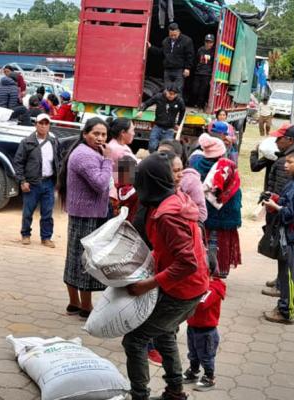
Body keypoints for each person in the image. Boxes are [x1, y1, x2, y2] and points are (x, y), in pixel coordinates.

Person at [123, 152, 209, 400]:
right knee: (164, 334)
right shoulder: (169, 200)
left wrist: (147, 285)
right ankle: (175, 391)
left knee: (135, 340)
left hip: (183, 290)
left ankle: (139, 394)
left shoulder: (167, 214)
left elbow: (187, 263)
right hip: (188, 286)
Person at [57, 118, 113, 319]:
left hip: (88, 212)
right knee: (84, 260)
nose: (100, 138)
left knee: (76, 258)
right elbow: (100, 183)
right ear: (84, 134)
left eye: (103, 134)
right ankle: (84, 306)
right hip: (87, 215)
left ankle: (75, 303)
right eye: (96, 134)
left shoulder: (94, 152)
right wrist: (108, 160)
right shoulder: (86, 155)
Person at [262, 148, 294, 324]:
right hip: (287, 235)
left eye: (290, 162)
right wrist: (275, 198)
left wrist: (276, 207)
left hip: (291, 236)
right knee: (284, 274)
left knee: (289, 276)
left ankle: (286, 312)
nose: (285, 165)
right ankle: (282, 305)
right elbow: (286, 201)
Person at [192, 134, 242, 278]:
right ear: (221, 153)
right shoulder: (227, 167)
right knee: (217, 241)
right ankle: (217, 270)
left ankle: (202, 269)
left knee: (203, 241)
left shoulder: (196, 164)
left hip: (202, 213)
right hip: (224, 214)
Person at [14, 114, 60, 248]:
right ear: (36, 125)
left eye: (46, 124)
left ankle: (46, 237)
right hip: (32, 183)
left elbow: (58, 161)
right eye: (41, 123)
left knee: (47, 213)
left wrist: (57, 180)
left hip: (48, 182)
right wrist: (22, 181)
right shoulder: (27, 142)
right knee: (28, 212)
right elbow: (18, 163)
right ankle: (25, 234)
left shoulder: (53, 141)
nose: (44, 126)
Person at [181, 276, 226, 391]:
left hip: (206, 331)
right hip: (192, 326)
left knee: (206, 356)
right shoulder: (198, 283)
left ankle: (209, 377)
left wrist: (187, 294)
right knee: (193, 353)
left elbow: (201, 304)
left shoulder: (214, 288)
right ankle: (193, 371)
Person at [136, 85, 185, 153]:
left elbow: (182, 111)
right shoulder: (159, 97)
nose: (171, 96)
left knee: (166, 150)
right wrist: (141, 110)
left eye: (174, 94)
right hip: (157, 127)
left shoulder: (179, 101)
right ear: (166, 91)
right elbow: (147, 103)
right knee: (152, 147)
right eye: (170, 94)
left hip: (169, 129)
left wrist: (178, 123)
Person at [147, 22, 194, 91]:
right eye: (171, 35)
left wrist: (187, 68)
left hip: (179, 70)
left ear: (179, 32)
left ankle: (178, 102)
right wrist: (151, 47)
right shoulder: (165, 41)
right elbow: (161, 52)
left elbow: (190, 55)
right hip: (168, 70)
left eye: (175, 35)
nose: (173, 37)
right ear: (169, 33)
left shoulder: (187, 41)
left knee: (177, 90)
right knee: (167, 90)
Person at [192, 34, 215, 109]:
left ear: (213, 43)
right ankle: (194, 103)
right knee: (195, 90)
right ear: (204, 42)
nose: (208, 43)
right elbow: (196, 60)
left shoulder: (214, 51)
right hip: (198, 73)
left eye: (210, 42)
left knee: (203, 91)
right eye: (207, 41)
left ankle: (199, 106)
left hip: (207, 74)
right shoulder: (200, 49)